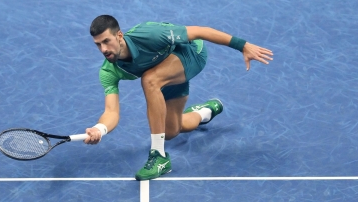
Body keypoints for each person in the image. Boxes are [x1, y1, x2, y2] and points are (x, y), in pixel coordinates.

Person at [83, 15, 273, 180]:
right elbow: (111, 112)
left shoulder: (149, 34)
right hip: (166, 72)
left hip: (191, 54)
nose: (103, 49)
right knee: (171, 131)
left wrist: (243, 46)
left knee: (150, 80)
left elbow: (200, 31)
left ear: (119, 35)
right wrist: (100, 129)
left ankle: (159, 156)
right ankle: (205, 111)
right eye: (98, 44)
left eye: (106, 41)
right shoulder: (108, 71)